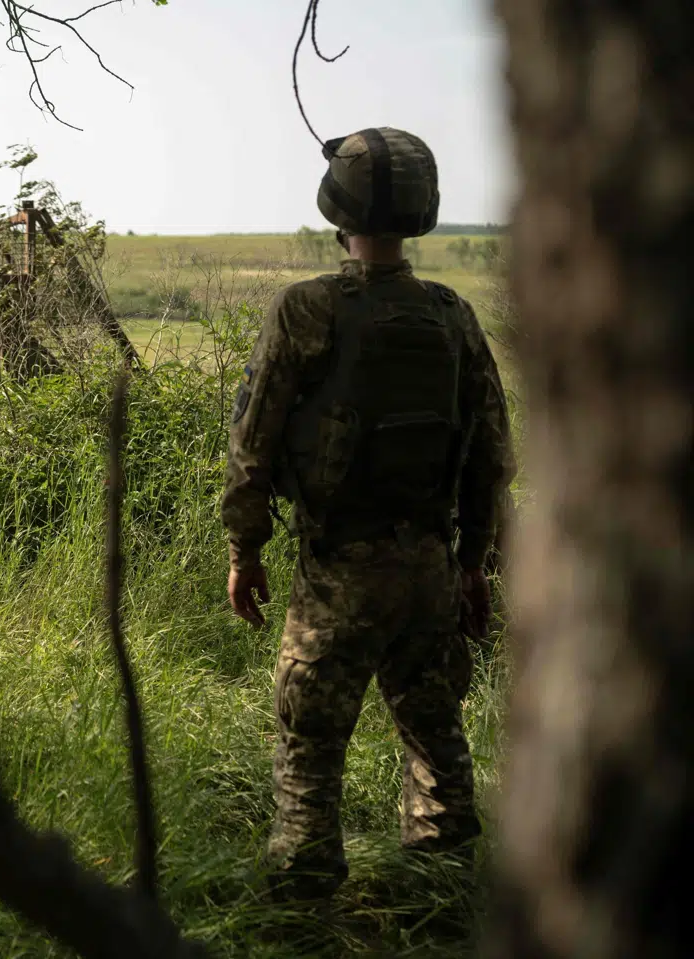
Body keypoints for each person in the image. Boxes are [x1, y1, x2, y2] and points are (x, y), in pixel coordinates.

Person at [220, 127, 516, 902]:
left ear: (337, 208)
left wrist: (244, 550)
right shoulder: (452, 316)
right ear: (424, 207)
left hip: (339, 574)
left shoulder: (306, 309)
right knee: (436, 739)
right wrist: (475, 564)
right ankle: (443, 904)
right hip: (431, 569)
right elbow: (491, 454)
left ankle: (303, 909)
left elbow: (253, 443)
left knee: (310, 749)